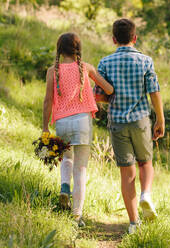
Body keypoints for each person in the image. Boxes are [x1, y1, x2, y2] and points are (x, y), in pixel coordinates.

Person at [94, 18, 165, 234]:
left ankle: (134, 223)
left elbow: (100, 96)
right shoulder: (145, 61)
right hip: (141, 120)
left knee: (127, 173)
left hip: (117, 122)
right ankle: (146, 195)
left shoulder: (105, 63)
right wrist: (160, 120)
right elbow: (154, 91)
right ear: (135, 38)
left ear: (114, 39)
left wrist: (115, 97)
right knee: (145, 163)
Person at [42, 32, 114, 227]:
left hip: (62, 123)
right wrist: (89, 90)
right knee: (80, 168)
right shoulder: (86, 68)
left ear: (59, 50)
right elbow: (108, 89)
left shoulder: (52, 71)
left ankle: (64, 188)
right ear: (78, 50)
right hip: (82, 121)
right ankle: (76, 216)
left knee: (66, 158)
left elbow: (48, 101)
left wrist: (44, 127)